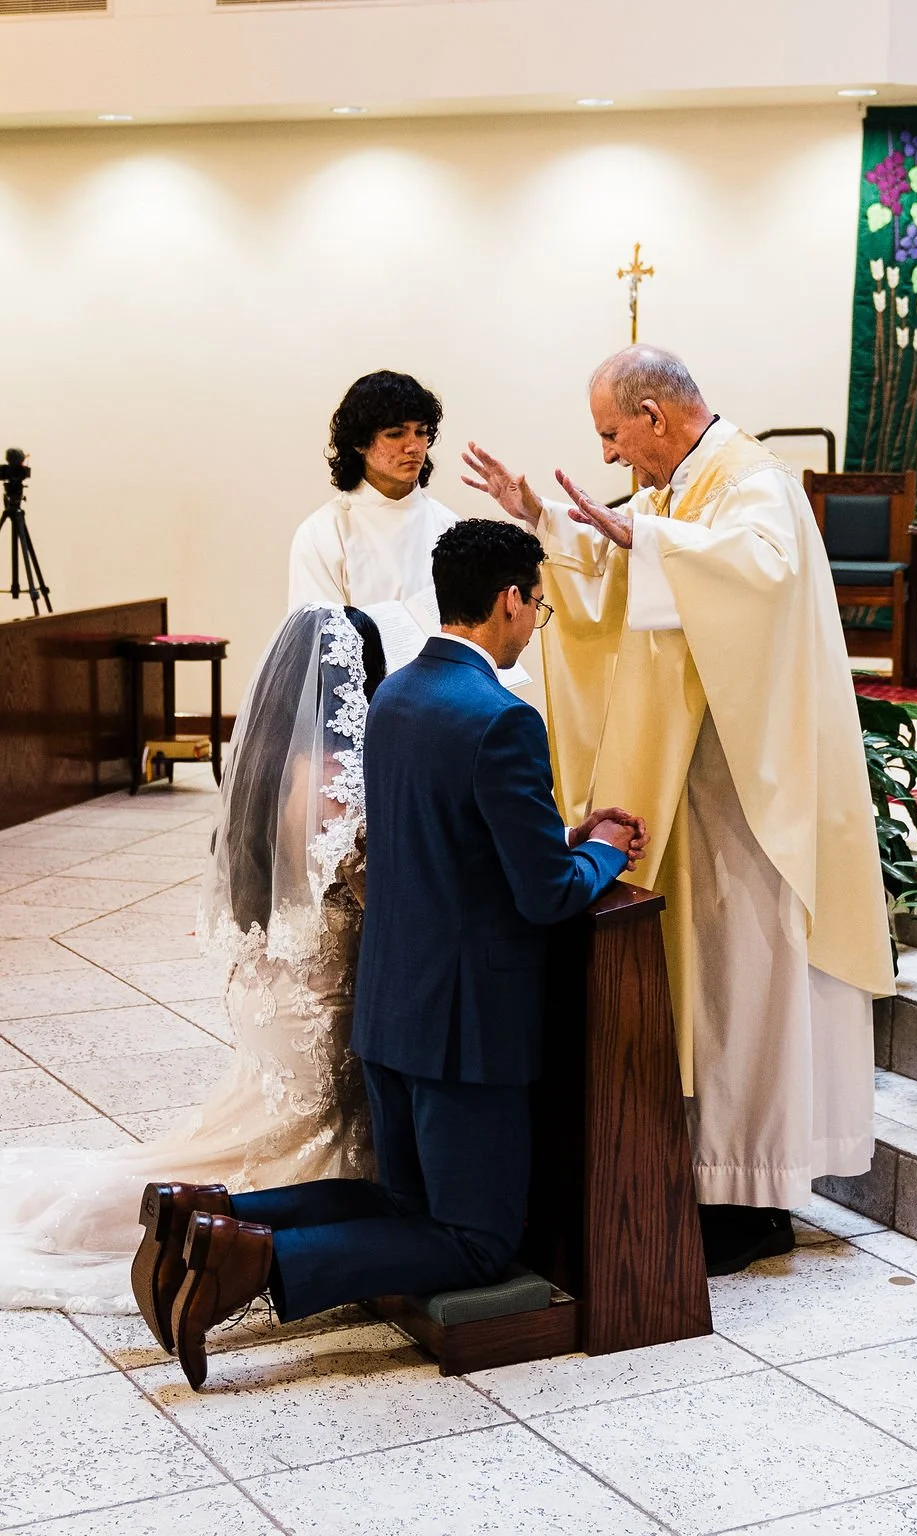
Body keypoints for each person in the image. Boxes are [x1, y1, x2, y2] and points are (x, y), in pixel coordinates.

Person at [131, 519, 647, 1390]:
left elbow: (451, 839)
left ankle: (206, 1216)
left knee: (403, 1203)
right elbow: (546, 893)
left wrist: (554, 837)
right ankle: (249, 1263)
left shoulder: (399, 696)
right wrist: (602, 849)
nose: (537, 623)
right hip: (467, 1032)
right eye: (540, 607)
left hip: (392, 1009)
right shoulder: (502, 719)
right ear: (512, 600)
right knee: (476, 1242)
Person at [461, 345, 895, 1275]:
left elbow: (761, 576)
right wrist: (537, 517)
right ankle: (710, 1178)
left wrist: (645, 544)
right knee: (707, 981)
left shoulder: (752, 483)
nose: (614, 459)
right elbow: (621, 582)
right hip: (697, 784)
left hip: (749, 795)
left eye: (614, 436)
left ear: (657, 415)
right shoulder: (677, 493)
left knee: (748, 980)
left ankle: (757, 1197)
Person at [0, 604, 385, 1316]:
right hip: (315, 1011)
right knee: (307, 1170)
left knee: (226, 1142)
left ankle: (153, 1209)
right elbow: (382, 890)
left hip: (273, 994)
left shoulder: (270, 756)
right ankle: (185, 1229)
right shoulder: (341, 777)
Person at [288, 370, 458, 611]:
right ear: (359, 442)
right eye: (395, 434)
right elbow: (320, 638)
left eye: (421, 432)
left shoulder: (450, 527)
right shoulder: (322, 533)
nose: (413, 447)